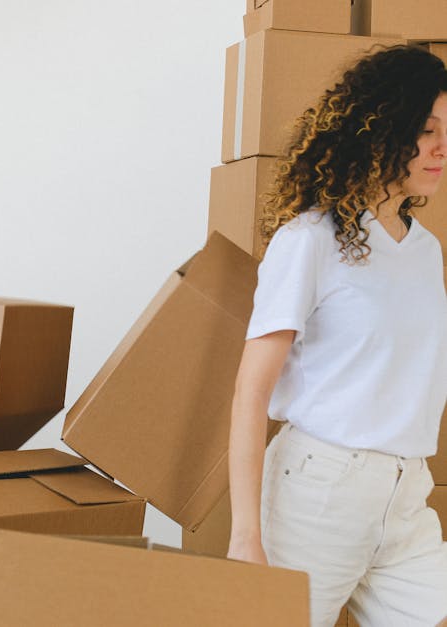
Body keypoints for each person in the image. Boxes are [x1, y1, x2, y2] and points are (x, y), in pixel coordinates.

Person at [227, 44, 447, 627]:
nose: (441, 147)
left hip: (406, 494)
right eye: (425, 130)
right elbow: (251, 392)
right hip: (318, 494)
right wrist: (245, 535)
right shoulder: (310, 239)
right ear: (380, 130)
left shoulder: (425, 250)